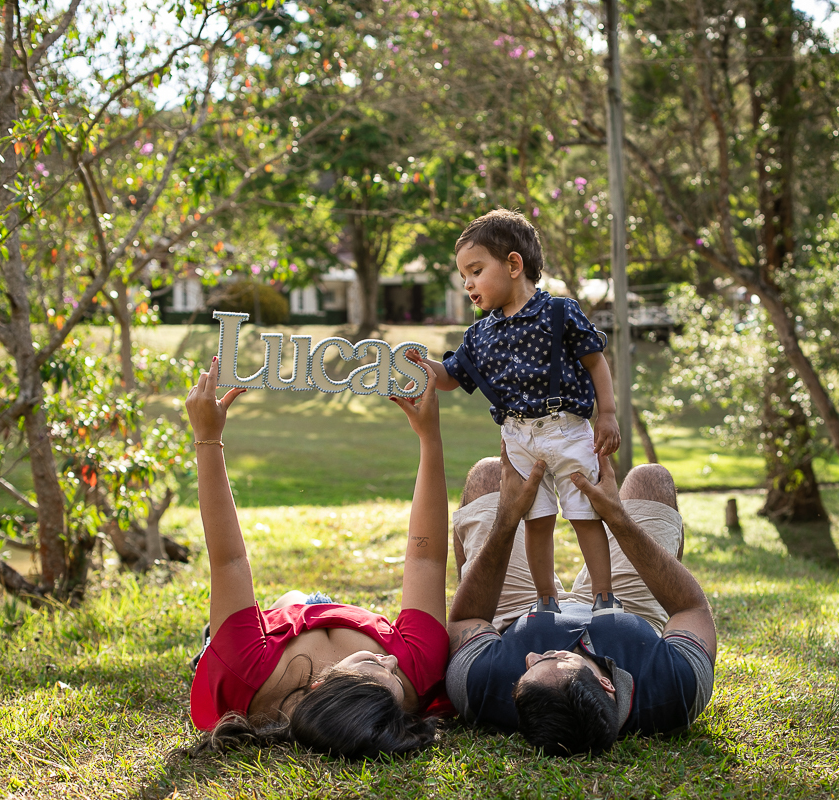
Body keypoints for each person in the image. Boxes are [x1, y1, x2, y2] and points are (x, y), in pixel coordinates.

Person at [185, 354, 452, 759]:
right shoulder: (418, 668)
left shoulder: (245, 672)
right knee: (299, 603)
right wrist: (430, 438)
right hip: (341, 621)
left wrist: (207, 438)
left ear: (320, 686)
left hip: (277, 631)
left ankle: (209, 639)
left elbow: (229, 562)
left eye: (379, 669)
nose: (393, 662)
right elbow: (426, 560)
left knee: (288, 599)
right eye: (395, 679)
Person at [444, 447, 717, 756]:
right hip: (632, 611)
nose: (531, 657)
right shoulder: (678, 687)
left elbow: (467, 619)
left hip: (519, 612)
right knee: (651, 478)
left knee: (489, 474)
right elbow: (690, 608)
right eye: (551, 660)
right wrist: (616, 516)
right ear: (607, 686)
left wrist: (508, 518)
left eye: (523, 674)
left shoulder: (480, 686)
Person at [420, 208, 623, 616]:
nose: (468, 284)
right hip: (518, 436)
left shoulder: (560, 312)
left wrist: (607, 413)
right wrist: (420, 366)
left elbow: (594, 360)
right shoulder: (479, 334)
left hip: (566, 428)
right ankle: (545, 599)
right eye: (463, 276)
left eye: (475, 271)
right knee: (536, 517)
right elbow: (450, 377)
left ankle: (604, 597)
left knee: (586, 510)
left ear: (514, 264)